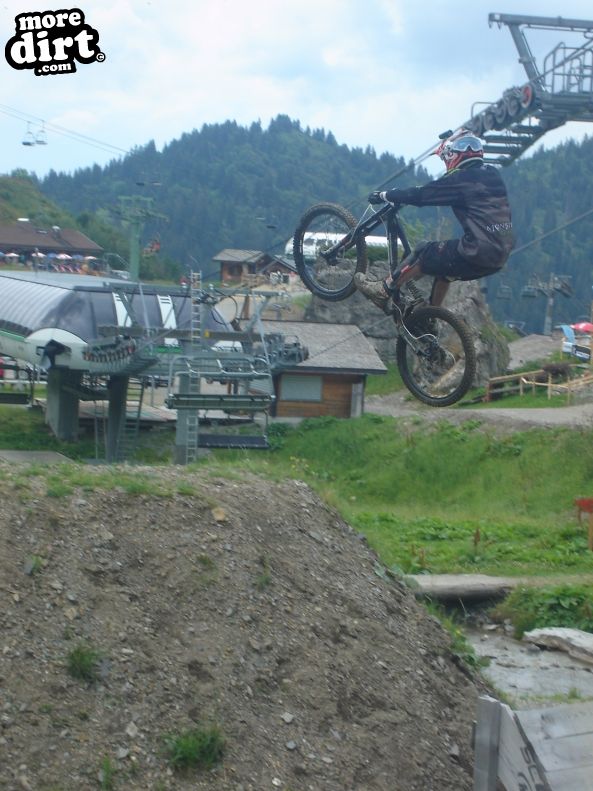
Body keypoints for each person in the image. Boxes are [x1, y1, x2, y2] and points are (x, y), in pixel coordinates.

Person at [354, 128, 514, 309]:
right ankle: (431, 316)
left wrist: (385, 195)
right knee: (444, 270)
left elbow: (421, 195)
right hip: (500, 255)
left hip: (476, 252)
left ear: (454, 156)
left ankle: (383, 290)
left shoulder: (459, 181)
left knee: (424, 250)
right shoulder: (493, 174)